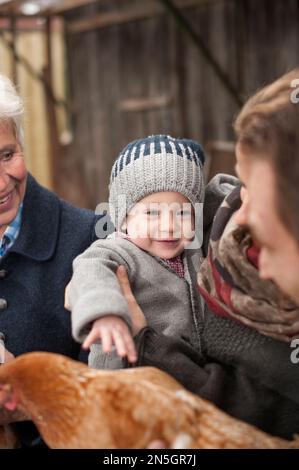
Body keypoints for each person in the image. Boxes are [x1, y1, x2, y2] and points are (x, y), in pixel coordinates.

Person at [117, 70, 299, 440]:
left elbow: (255, 408)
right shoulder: (223, 227)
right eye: (241, 184)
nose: (238, 214)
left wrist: (147, 343)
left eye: (256, 192)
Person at [67, 135, 232, 369]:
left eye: (182, 213)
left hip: (188, 373)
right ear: (123, 218)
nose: (168, 226)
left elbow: (218, 204)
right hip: (126, 378)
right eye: (152, 213)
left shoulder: (192, 246)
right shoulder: (116, 251)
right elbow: (90, 274)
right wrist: (106, 313)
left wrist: (237, 195)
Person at [0, 74, 103, 444]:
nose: (1, 183)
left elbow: (104, 395)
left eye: (7, 155)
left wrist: (28, 396)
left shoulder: (88, 240)